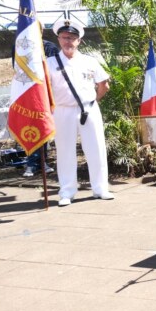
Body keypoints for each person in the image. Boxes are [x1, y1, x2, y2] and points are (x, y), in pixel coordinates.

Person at [46, 17, 114, 207]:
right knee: (65, 151)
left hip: (89, 109)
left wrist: (93, 102)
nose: (68, 41)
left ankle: (101, 189)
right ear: (59, 39)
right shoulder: (50, 63)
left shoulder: (89, 61)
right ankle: (67, 192)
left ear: (79, 40)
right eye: (64, 37)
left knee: (96, 149)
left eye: (72, 38)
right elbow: (44, 90)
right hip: (62, 111)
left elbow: (104, 84)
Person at [22, 40, 59, 177]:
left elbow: (53, 70)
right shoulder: (19, 44)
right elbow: (18, 68)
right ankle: (32, 163)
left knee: (42, 127)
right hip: (27, 92)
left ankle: (42, 162)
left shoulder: (49, 47)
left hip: (45, 93)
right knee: (30, 128)